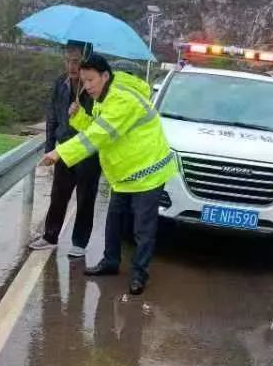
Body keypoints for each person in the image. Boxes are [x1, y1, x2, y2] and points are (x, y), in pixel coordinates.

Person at [41, 53, 177, 295]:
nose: (87, 86)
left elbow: (98, 136)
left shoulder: (122, 100)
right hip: (124, 174)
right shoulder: (104, 97)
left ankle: (139, 274)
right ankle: (110, 262)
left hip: (148, 172)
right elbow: (98, 127)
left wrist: (59, 152)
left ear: (105, 76)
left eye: (91, 80)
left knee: (142, 228)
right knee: (113, 220)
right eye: (84, 81)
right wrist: (79, 117)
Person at [29, 43, 100, 258]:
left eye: (76, 61)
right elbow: (52, 115)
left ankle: (79, 242)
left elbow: (99, 123)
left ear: (85, 62)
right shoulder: (61, 83)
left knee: (85, 198)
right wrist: (50, 147)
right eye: (67, 61)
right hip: (64, 149)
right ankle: (50, 236)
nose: (71, 66)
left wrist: (82, 108)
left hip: (87, 151)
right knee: (58, 194)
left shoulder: (94, 87)